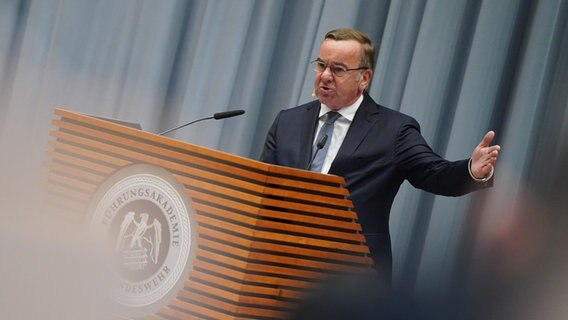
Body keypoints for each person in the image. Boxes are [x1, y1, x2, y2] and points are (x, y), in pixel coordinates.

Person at [260, 28, 500, 280]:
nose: (325, 76)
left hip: (349, 277)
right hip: (278, 265)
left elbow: (434, 174)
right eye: (321, 65)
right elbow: (262, 189)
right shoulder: (287, 121)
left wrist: (472, 170)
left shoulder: (393, 130)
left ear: (364, 78)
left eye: (338, 69)